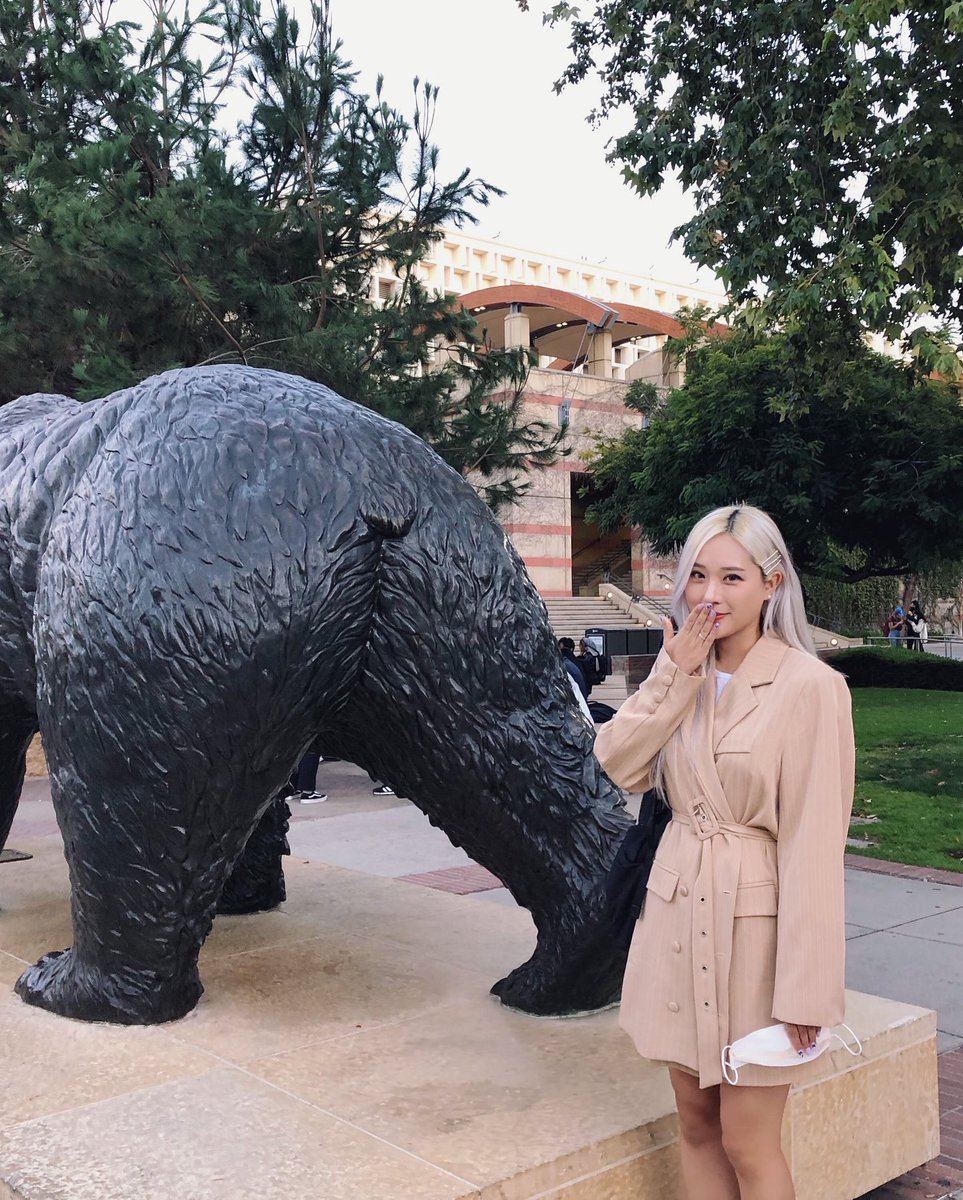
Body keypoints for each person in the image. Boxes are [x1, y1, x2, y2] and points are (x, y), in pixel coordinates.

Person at [594, 505, 855, 1200]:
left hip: (757, 935)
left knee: (748, 1138)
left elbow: (812, 844)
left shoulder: (809, 687)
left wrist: (806, 987)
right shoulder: (681, 673)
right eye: (698, 576)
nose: (710, 595)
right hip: (677, 917)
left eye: (732, 577)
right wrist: (670, 678)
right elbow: (616, 765)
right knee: (695, 1121)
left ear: (770, 584)